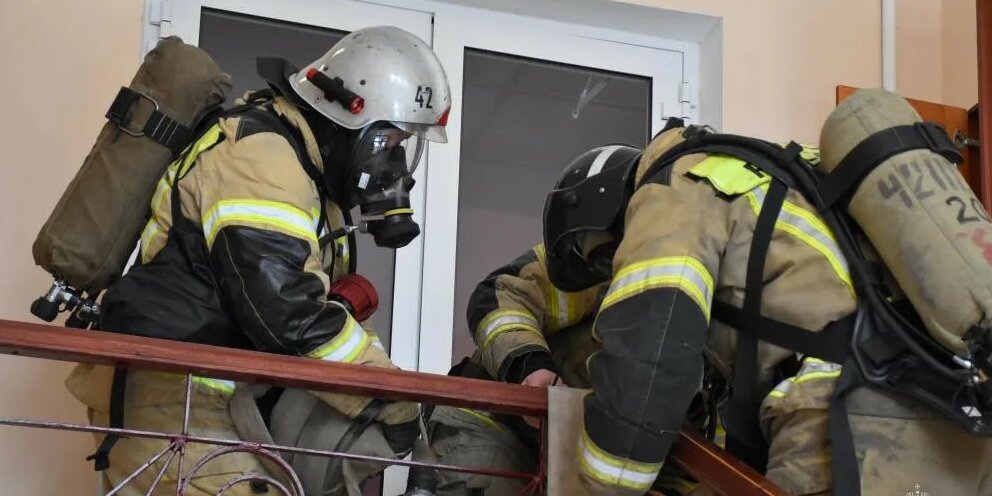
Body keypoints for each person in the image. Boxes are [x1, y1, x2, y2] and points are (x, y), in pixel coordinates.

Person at [65, 26, 451, 496]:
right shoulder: (264, 158)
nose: (393, 166)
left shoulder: (306, 175)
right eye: (386, 143)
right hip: (172, 394)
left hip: (215, 399)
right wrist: (394, 397)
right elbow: (287, 312)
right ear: (346, 114)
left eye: (402, 149)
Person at [537, 124, 992, 495]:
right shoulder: (769, 174)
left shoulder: (672, 189)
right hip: (953, 411)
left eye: (602, 256)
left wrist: (599, 484)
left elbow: (647, 360)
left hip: (840, 425)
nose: (612, 265)